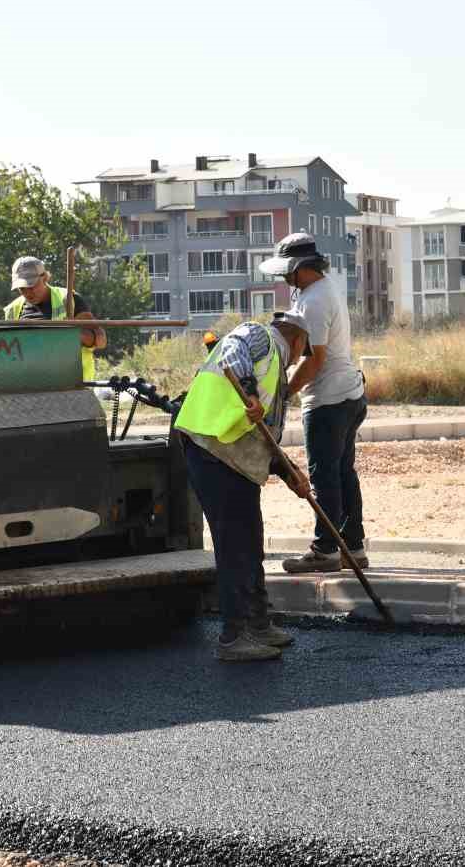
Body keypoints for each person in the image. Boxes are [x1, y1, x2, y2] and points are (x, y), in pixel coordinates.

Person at [174, 312, 313, 660]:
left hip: (235, 458)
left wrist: (289, 472)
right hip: (211, 449)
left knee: (250, 542)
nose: (299, 359)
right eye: (302, 352)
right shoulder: (259, 335)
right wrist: (248, 392)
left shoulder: (275, 369)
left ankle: (258, 623)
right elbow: (232, 350)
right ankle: (234, 636)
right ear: (297, 340)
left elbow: (263, 434)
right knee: (234, 544)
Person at [261, 234, 369, 575]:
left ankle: (325, 549)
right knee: (342, 473)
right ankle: (352, 546)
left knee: (325, 477)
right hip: (349, 393)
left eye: (285, 273)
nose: (282, 279)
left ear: (298, 268)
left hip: (328, 400)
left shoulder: (315, 301)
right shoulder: (324, 290)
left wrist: (285, 391)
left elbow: (316, 359)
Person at [4, 256, 105, 381]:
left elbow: (100, 341)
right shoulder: (13, 310)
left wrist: (73, 332)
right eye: (22, 288)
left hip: (70, 383)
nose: (27, 293)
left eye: (31, 286)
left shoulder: (68, 299)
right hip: (31, 382)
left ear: (45, 277)